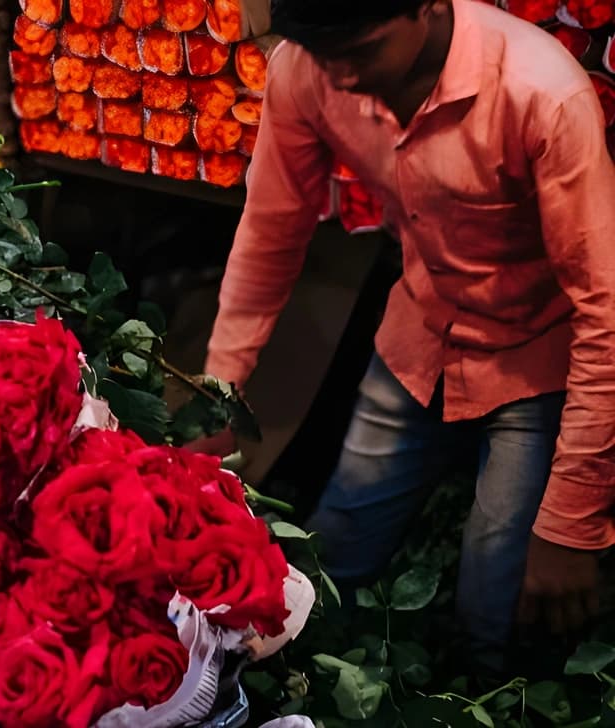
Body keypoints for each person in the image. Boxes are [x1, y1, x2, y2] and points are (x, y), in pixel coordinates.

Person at [193, 0, 615, 668]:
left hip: (537, 361)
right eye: (326, 57)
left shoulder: (543, 92)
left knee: (495, 607)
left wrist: (572, 522)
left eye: (361, 51)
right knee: (328, 565)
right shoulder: (310, 68)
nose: (342, 77)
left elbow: (605, 312)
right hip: (418, 339)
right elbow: (271, 233)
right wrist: (221, 391)